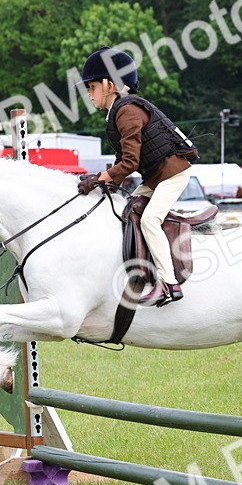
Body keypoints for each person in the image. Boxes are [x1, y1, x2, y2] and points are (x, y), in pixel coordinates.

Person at [77, 47, 199, 306]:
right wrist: (108, 183)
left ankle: (169, 284)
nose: (89, 95)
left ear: (110, 85)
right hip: (156, 176)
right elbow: (124, 160)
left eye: (92, 87)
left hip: (172, 175)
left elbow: (130, 162)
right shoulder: (118, 111)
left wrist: (102, 177)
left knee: (150, 221)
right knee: (127, 209)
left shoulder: (127, 111)